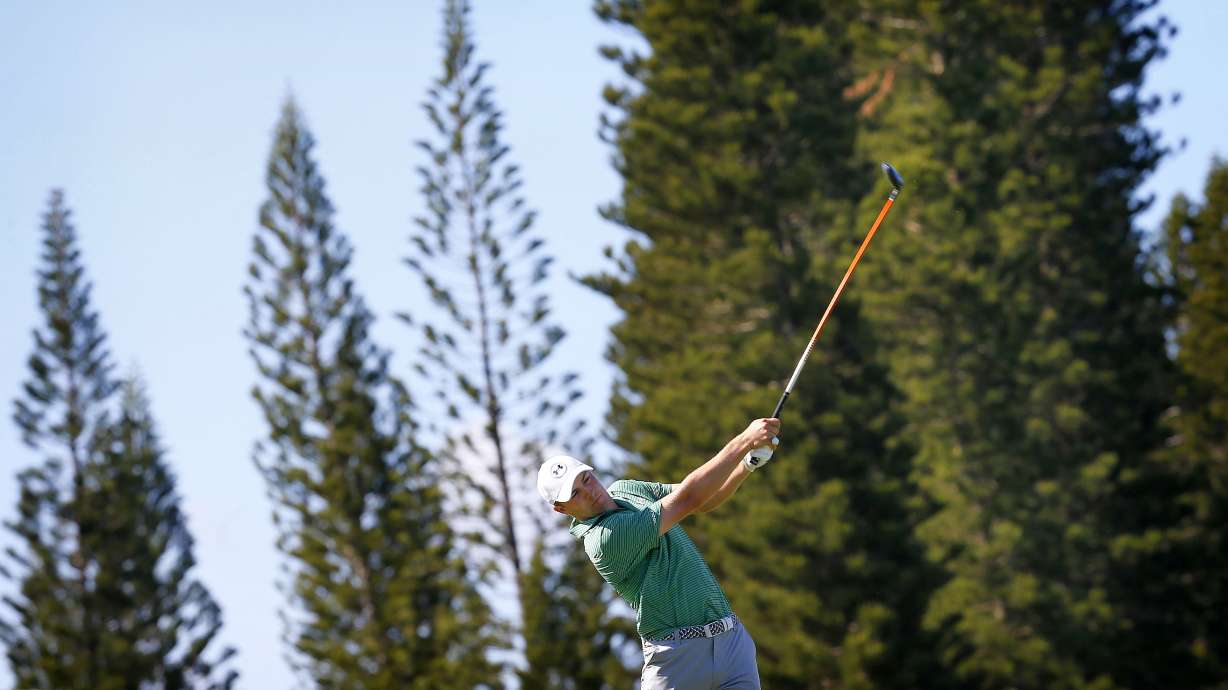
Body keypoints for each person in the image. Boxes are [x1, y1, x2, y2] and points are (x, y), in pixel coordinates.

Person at [536, 417, 782, 690]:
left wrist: (746, 465)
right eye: (575, 493)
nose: (590, 492)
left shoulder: (625, 489)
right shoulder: (603, 539)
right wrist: (744, 441)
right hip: (676, 659)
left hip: (731, 643)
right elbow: (689, 498)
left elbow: (703, 499)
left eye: (586, 479)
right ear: (561, 509)